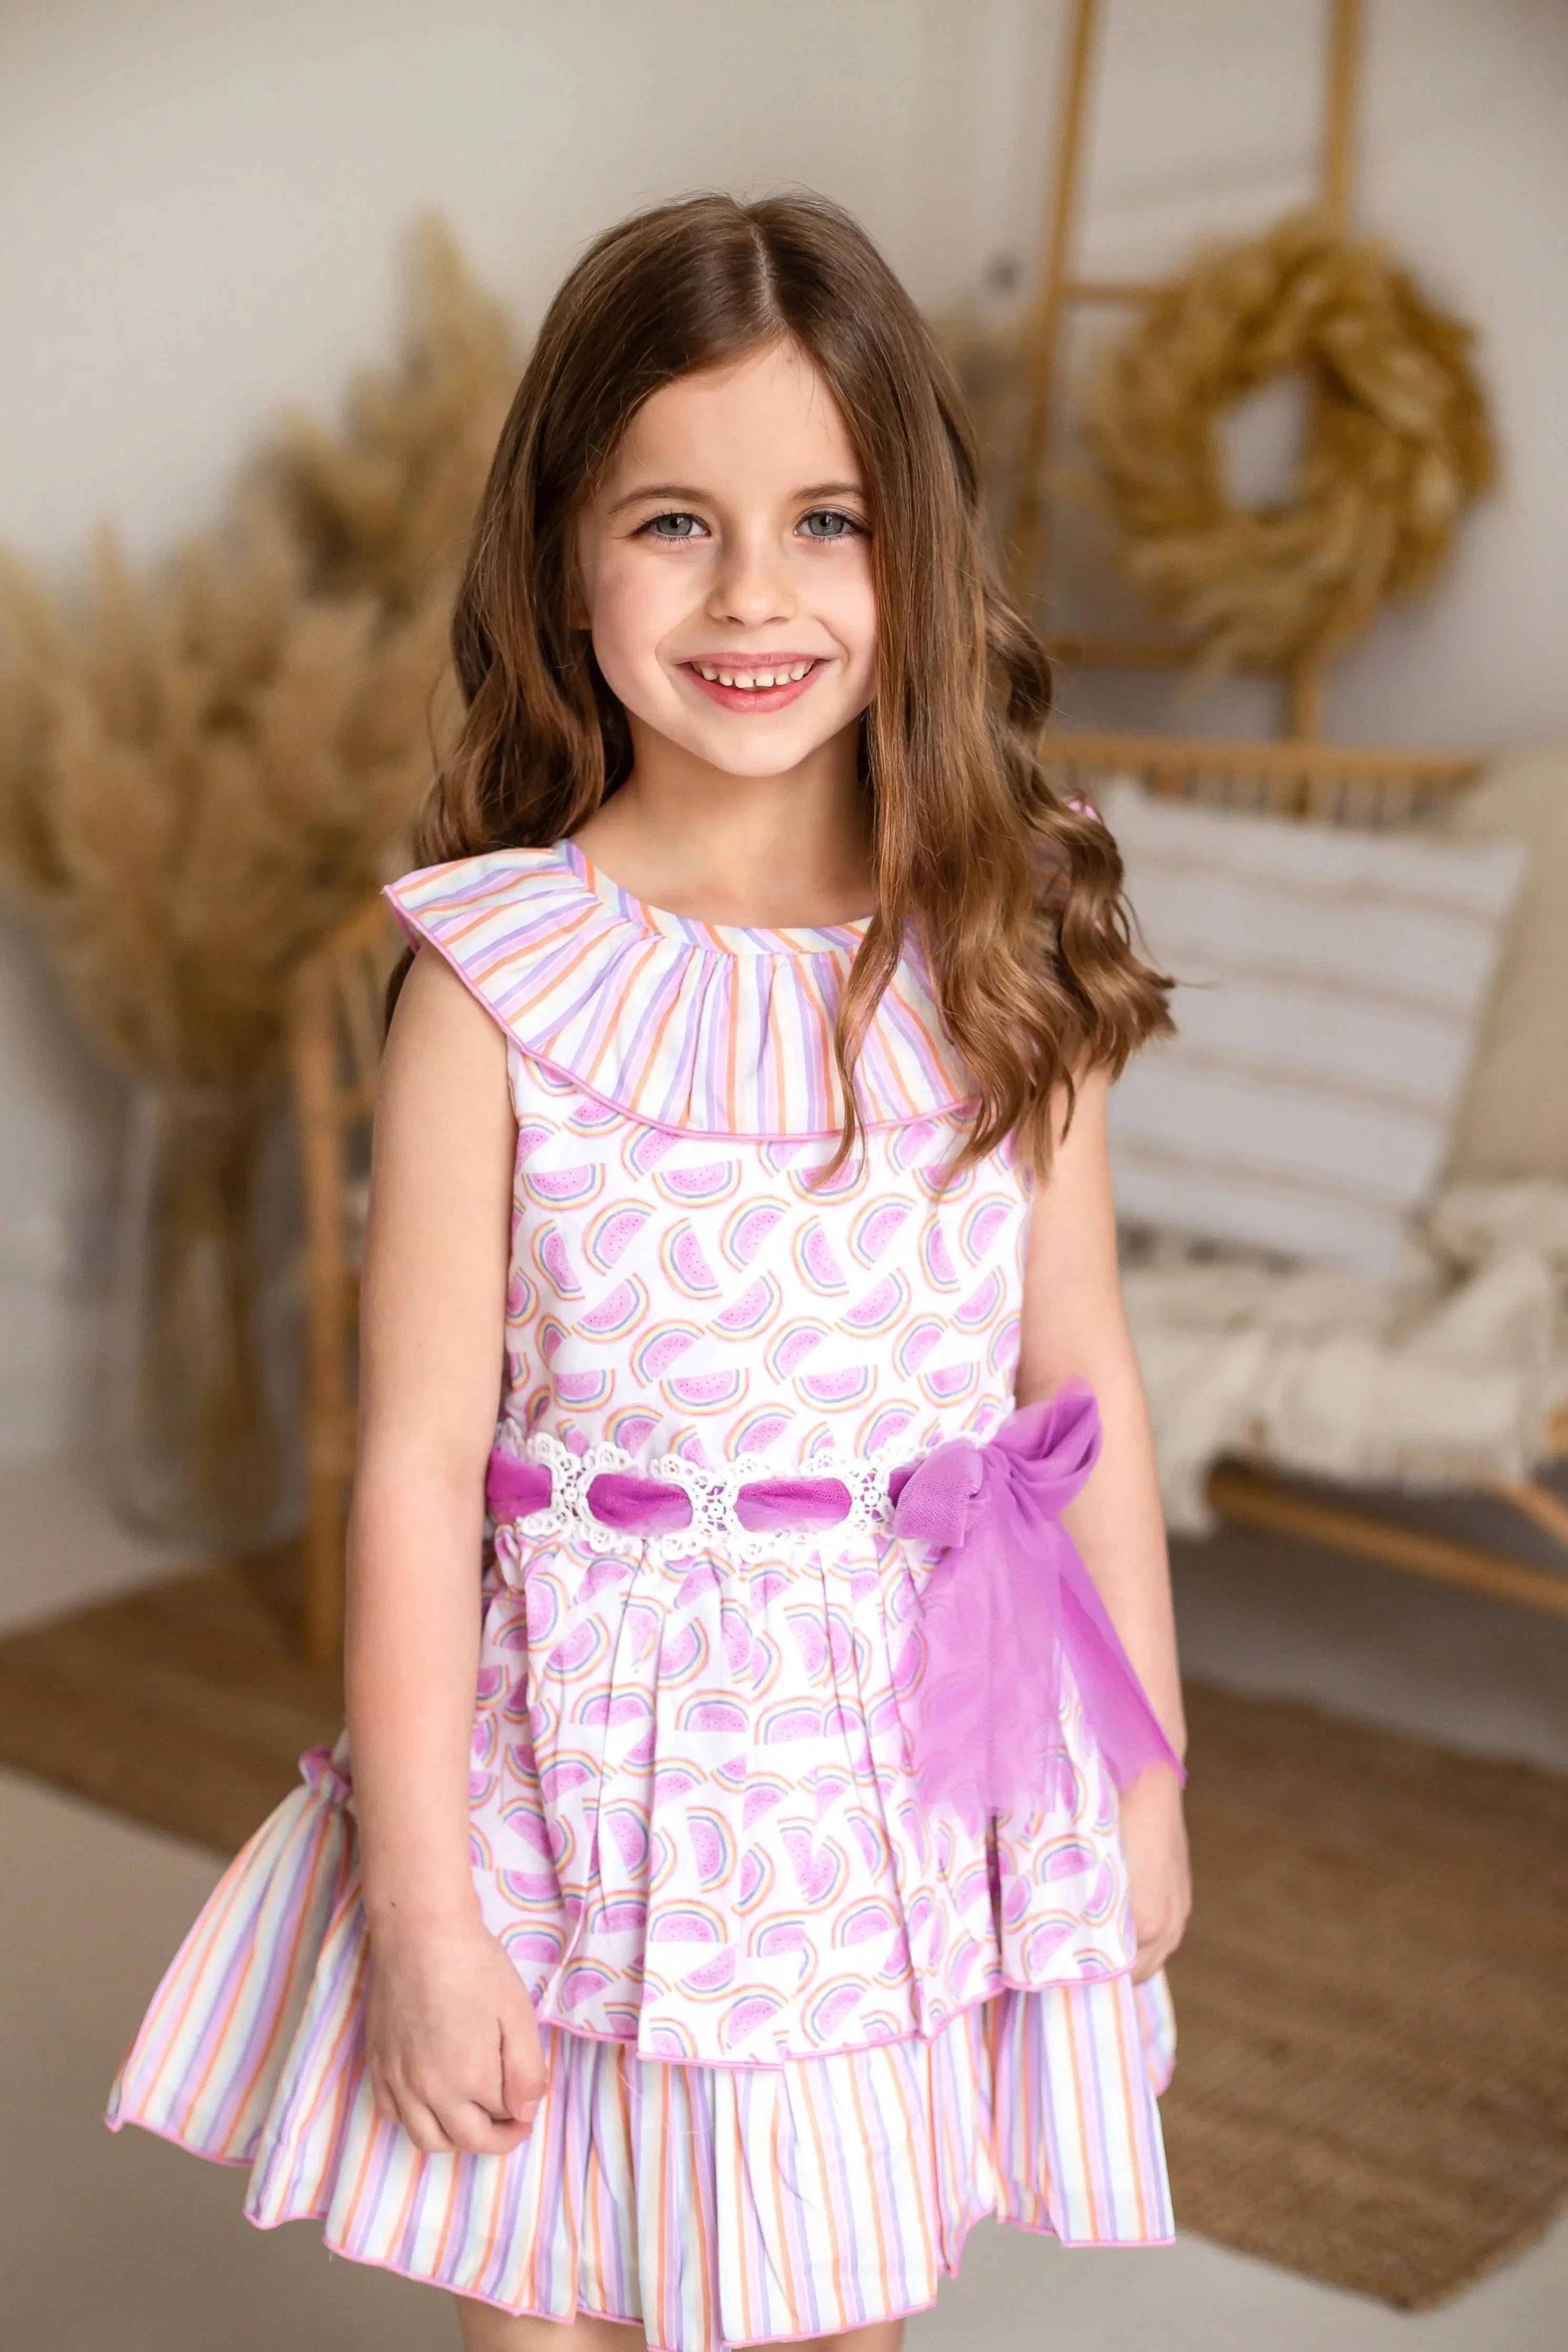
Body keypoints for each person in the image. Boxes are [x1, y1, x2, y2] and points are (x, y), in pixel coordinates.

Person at [107, 191, 1191, 2352]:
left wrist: (1142, 1789)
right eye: (674, 522)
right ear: (561, 554)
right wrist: (422, 1907)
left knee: (834, 2310)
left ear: (918, 552)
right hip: (581, 1793)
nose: (756, 592)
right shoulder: (497, 981)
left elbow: (1075, 1399)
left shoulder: (993, 943)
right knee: (559, 2307)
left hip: (887, 1795)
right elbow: (416, 1463)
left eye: (827, 520)